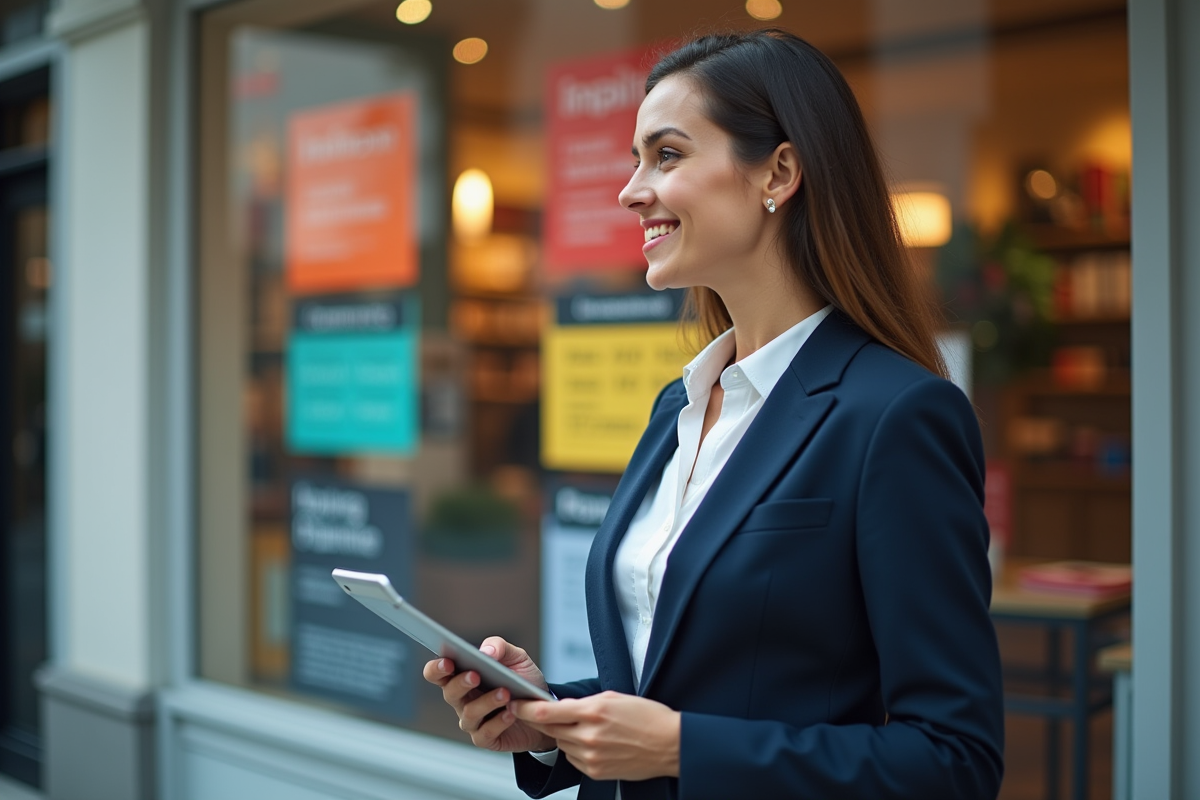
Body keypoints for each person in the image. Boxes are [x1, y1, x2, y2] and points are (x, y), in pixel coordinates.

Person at [424, 28, 1005, 800]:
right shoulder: (681, 405)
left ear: (780, 171)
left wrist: (684, 750)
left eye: (666, 156)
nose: (631, 190)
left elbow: (954, 760)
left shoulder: (897, 416)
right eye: (635, 159)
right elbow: (691, 680)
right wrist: (550, 719)